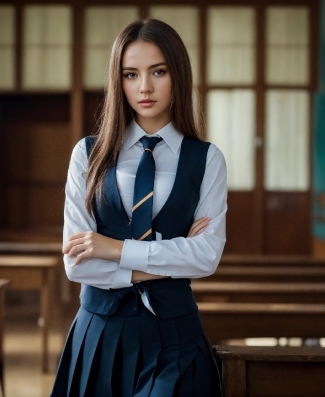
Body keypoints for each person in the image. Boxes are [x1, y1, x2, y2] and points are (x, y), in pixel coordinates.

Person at [51, 18, 227, 397]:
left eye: (158, 72)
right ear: (119, 82)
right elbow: (76, 262)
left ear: (177, 75)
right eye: (131, 74)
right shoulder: (87, 155)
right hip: (98, 334)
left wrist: (114, 249)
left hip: (175, 340)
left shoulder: (207, 160)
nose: (144, 87)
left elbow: (207, 257)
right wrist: (173, 260)